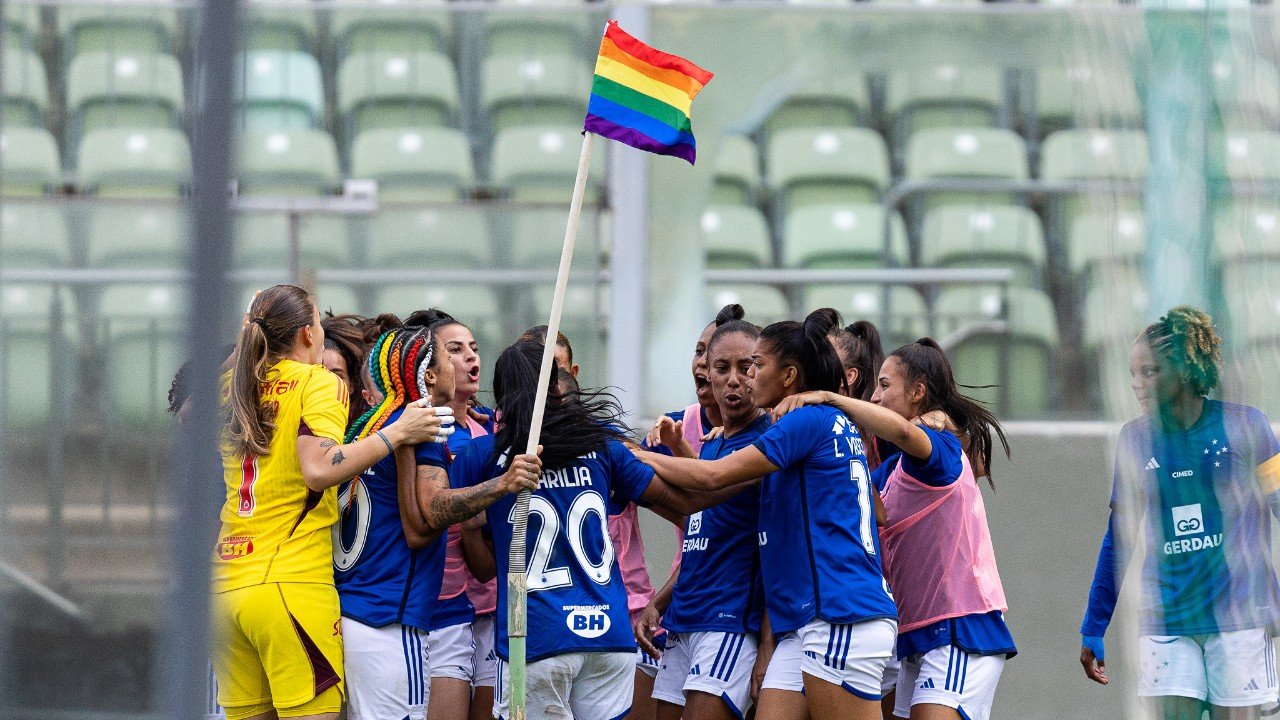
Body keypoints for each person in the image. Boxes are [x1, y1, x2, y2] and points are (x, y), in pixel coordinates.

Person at [451, 339, 738, 720]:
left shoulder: (481, 456)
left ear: (502, 395)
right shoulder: (605, 447)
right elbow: (685, 503)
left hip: (535, 639)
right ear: (558, 385)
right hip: (608, 637)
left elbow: (433, 514)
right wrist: (751, 474)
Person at [634, 308, 898, 720]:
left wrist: (634, 455)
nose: (746, 376)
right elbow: (876, 511)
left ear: (789, 376)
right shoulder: (817, 422)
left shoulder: (804, 422)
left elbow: (712, 478)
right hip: (806, 621)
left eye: (756, 365)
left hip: (840, 613)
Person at [211, 285, 449, 720]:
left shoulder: (231, 384)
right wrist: (395, 433)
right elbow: (319, 469)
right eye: (318, 322)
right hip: (290, 585)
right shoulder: (317, 382)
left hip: (226, 586)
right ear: (306, 334)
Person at [772, 337, 1016, 720]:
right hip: (915, 635)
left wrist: (830, 399)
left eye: (885, 386)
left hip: (960, 630)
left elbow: (906, 435)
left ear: (918, 392)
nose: (874, 396)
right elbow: (860, 498)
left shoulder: (940, 449)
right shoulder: (889, 471)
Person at [1080, 306, 1280, 720]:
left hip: (1239, 621)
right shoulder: (1133, 440)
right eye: (1133, 374)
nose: (1137, 385)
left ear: (1186, 370)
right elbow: (1119, 539)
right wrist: (1093, 626)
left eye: (1149, 372)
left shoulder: (1250, 427)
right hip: (1166, 625)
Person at [335, 323, 540, 720]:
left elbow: (412, 521)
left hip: (356, 614)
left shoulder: (378, 424)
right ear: (428, 374)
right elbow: (426, 518)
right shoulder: (423, 425)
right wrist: (503, 484)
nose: (461, 361)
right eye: (448, 354)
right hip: (390, 617)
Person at [646, 315, 768, 720]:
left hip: (728, 622)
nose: (733, 380)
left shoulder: (768, 442)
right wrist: (659, 604)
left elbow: (712, 484)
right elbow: (706, 539)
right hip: (683, 619)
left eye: (746, 368)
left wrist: (632, 455)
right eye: (722, 368)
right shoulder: (714, 444)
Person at [404, 308, 498, 720]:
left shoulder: (489, 432)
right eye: (455, 350)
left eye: (474, 349)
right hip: (428, 607)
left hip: (482, 608)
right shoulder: (415, 430)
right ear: (428, 367)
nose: (471, 359)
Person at [320, 313, 382, 428]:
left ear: (351, 385)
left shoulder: (372, 424)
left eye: (337, 376)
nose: (327, 385)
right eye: (319, 376)